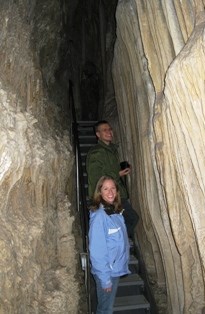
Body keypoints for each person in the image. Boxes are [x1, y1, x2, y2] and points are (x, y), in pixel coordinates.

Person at [86, 120, 139, 239]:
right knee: (131, 218)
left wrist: (120, 167)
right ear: (98, 135)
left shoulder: (111, 150)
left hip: (115, 194)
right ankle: (116, 241)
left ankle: (117, 241)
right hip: (107, 196)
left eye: (110, 129)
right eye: (105, 130)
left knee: (123, 221)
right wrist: (117, 173)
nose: (109, 132)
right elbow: (96, 175)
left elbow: (107, 168)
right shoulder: (96, 152)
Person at [89, 176, 130, 314]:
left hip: (114, 269)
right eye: (105, 189)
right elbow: (97, 251)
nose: (110, 192)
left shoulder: (115, 212)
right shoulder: (100, 216)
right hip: (107, 272)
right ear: (99, 192)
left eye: (113, 188)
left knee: (107, 307)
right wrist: (105, 279)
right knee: (105, 309)